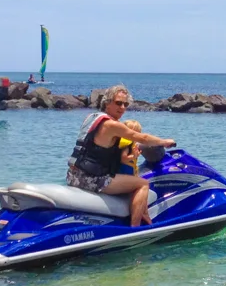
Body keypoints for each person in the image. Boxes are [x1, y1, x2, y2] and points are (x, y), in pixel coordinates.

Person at [66, 84, 175, 226]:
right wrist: (165, 142)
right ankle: (135, 228)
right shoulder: (112, 125)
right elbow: (141, 138)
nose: (122, 107)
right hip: (93, 179)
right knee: (142, 184)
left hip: (73, 175)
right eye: (118, 103)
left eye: (125, 104)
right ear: (107, 103)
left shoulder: (91, 118)